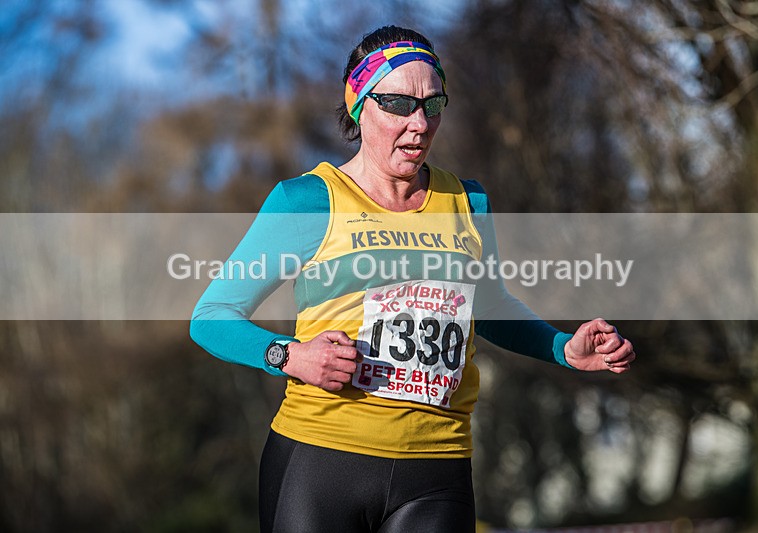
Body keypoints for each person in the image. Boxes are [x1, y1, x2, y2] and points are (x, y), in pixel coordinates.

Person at [190, 25, 635, 533]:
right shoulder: (307, 201)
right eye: (399, 104)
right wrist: (292, 356)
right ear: (359, 104)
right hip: (320, 462)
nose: (420, 123)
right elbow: (212, 317)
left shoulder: (467, 202)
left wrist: (562, 347)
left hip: (437, 470)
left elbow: (487, 305)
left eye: (433, 104)